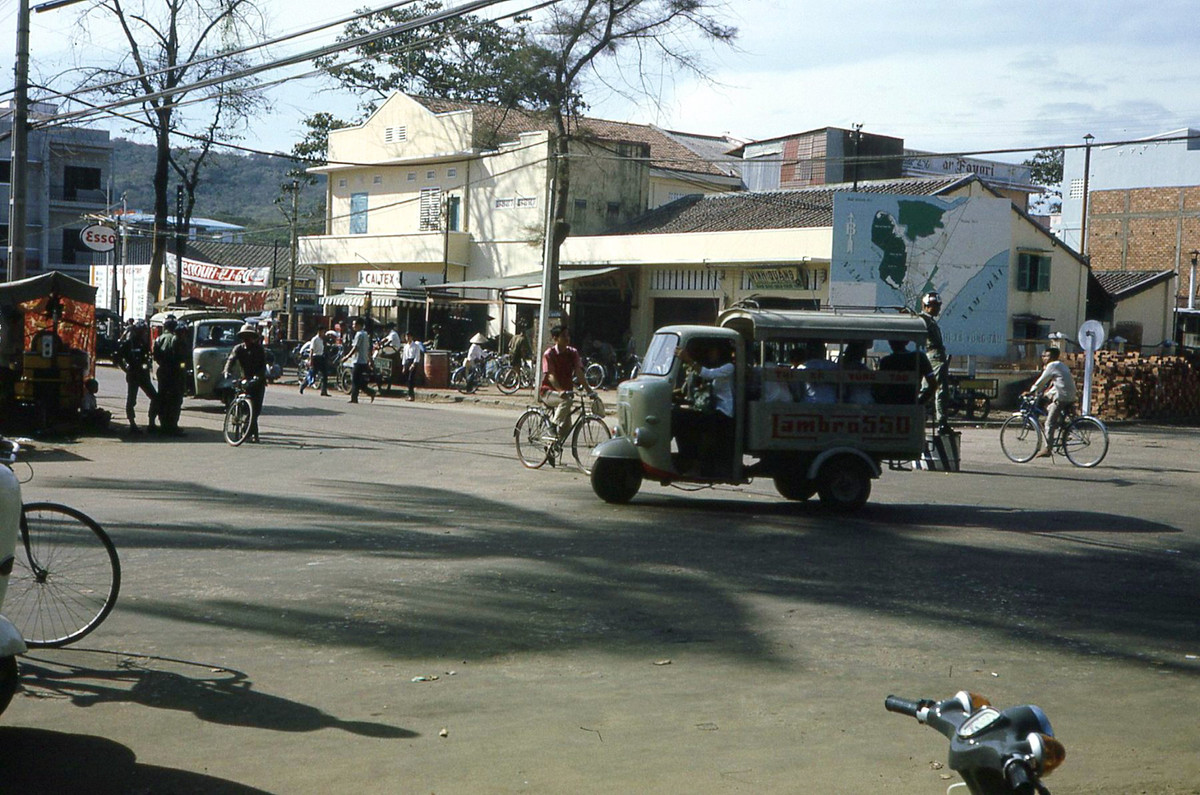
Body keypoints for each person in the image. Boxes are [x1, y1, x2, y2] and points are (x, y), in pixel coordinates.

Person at [674, 339, 736, 476]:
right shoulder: (715, 367)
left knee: (682, 420)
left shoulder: (728, 367)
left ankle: (693, 462)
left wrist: (688, 360)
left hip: (723, 413)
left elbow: (709, 374)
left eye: (713, 351)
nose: (710, 354)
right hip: (712, 410)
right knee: (680, 416)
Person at [1024, 346, 1077, 457]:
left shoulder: (1052, 365)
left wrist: (1031, 391)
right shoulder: (1061, 365)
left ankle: (1047, 449)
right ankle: (1064, 432)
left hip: (1062, 397)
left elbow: (1042, 381)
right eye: (1043, 356)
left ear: (1052, 357)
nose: (1044, 358)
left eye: (1046, 356)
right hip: (1070, 395)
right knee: (1049, 408)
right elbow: (1055, 383)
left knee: (1049, 423)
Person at [539, 325, 589, 438]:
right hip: (548, 392)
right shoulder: (549, 354)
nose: (567, 338)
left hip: (566, 393)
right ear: (555, 339)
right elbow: (550, 375)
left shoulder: (573, 352)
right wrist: (560, 390)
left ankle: (551, 449)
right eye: (564, 336)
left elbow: (579, 372)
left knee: (566, 428)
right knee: (567, 401)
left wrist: (589, 391)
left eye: (568, 335)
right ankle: (552, 425)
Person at [224, 323, 269, 442]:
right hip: (244, 379)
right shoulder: (238, 348)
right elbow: (231, 360)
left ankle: (250, 430)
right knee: (241, 404)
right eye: (245, 337)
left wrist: (257, 377)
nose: (247, 340)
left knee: (255, 410)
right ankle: (244, 426)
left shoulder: (259, 349)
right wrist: (226, 371)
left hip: (257, 381)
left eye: (249, 337)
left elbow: (262, 367)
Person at [113, 319, 158, 434]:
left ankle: (151, 423)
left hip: (143, 375)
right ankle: (132, 424)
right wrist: (125, 368)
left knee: (155, 397)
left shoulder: (144, 343)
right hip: (133, 374)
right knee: (131, 400)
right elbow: (117, 358)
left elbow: (148, 357)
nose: (144, 332)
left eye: (144, 330)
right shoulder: (129, 343)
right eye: (142, 330)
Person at [919, 291, 952, 433]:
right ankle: (942, 423)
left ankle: (921, 416)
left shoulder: (931, 320)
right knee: (941, 391)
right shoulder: (925, 319)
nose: (937, 308)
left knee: (928, 390)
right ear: (926, 306)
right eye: (934, 305)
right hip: (935, 358)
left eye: (938, 305)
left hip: (935, 357)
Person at [152, 316, 187, 436]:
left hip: (163, 371)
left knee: (162, 398)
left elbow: (155, 356)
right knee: (175, 399)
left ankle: (163, 424)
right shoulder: (176, 339)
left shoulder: (159, 339)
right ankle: (172, 426)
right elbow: (180, 357)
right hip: (174, 373)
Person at [876, 339, 935, 405]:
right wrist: (919, 403)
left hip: (890, 406)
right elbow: (933, 384)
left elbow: (880, 388)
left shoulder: (886, 361)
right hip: (910, 403)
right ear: (907, 342)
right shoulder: (919, 357)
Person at [341, 317, 376, 404]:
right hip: (363, 361)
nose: (353, 326)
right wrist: (369, 359)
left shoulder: (359, 334)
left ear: (359, 325)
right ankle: (369, 392)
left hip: (358, 360)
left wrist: (347, 356)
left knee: (355, 380)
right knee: (359, 381)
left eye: (354, 324)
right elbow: (368, 348)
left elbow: (355, 347)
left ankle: (355, 398)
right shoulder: (365, 334)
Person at [301, 329, 330, 396]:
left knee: (325, 374)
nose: (323, 333)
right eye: (323, 332)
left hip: (321, 357)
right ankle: (303, 385)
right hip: (315, 358)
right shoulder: (315, 339)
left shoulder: (322, 340)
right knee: (313, 374)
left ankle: (324, 391)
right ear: (319, 331)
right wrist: (311, 360)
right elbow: (312, 350)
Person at [401, 331, 425, 402]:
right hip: (407, 362)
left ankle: (411, 395)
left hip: (413, 362)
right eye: (406, 336)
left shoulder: (416, 346)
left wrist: (413, 364)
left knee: (411, 379)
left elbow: (417, 356)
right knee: (407, 379)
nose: (407, 338)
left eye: (409, 336)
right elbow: (404, 356)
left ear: (412, 337)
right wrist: (404, 366)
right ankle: (409, 394)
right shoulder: (405, 346)